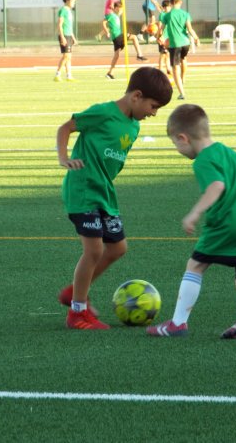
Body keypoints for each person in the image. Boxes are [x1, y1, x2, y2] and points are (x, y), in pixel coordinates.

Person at [56, 67, 173, 330]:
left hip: (104, 193)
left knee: (118, 248)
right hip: (83, 189)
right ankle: (77, 311)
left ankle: (73, 291)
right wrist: (63, 158)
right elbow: (66, 128)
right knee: (94, 249)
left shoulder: (132, 126)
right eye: (153, 106)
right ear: (137, 96)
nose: (153, 113)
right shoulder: (103, 112)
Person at [147, 104, 236, 339]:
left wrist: (195, 212)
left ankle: (178, 323)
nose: (177, 149)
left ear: (183, 138)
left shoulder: (203, 160)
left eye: (176, 143)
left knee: (195, 266)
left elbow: (217, 185)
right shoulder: (232, 155)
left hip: (226, 224)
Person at [159, 0, 199, 100]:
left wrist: (160, 37)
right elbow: (190, 29)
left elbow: (161, 30)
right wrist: (196, 38)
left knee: (175, 68)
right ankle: (183, 78)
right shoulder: (185, 14)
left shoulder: (167, 15)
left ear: (171, 3)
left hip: (175, 44)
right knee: (183, 59)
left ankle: (182, 93)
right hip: (186, 43)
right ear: (180, 2)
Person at [103, 1, 148, 79]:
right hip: (118, 36)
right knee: (134, 37)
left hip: (116, 38)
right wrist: (107, 32)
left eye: (122, 9)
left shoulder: (116, 16)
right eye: (120, 9)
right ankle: (139, 55)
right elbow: (104, 23)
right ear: (116, 8)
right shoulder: (111, 15)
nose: (121, 11)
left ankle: (110, 73)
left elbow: (117, 15)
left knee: (116, 56)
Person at [54, 0, 77, 82]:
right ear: (67, 0)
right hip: (64, 36)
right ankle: (57, 74)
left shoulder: (69, 11)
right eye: (73, 1)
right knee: (66, 56)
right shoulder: (63, 10)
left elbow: (69, 26)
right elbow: (60, 25)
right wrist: (62, 37)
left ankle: (69, 76)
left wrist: (73, 37)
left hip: (69, 35)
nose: (74, 3)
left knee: (69, 57)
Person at [156, 0, 173, 78]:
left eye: (168, 7)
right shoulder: (162, 15)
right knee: (163, 54)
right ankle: (160, 70)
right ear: (163, 7)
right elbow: (160, 26)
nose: (166, 8)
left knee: (168, 54)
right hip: (162, 37)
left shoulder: (171, 15)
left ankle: (168, 68)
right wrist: (159, 36)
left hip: (168, 38)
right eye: (165, 7)